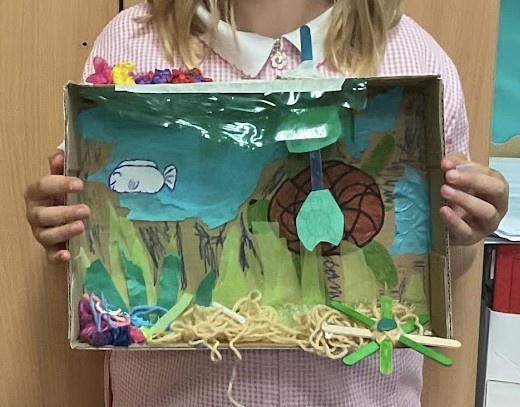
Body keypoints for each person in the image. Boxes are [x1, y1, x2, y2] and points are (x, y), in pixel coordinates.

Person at [24, 1, 509, 406]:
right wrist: (61, 224)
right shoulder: (133, 40)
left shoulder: (411, 53)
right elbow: (92, 221)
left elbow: (440, 267)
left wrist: (465, 230)